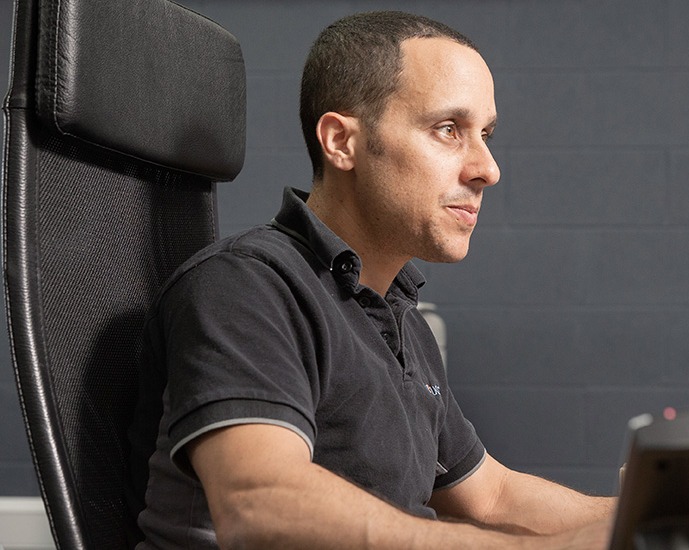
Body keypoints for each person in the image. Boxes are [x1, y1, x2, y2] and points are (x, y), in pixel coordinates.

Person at [127, 10, 616, 549]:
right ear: (341, 143)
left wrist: (647, 515)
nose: (487, 168)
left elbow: (492, 497)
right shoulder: (247, 287)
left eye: (486, 134)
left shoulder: (399, 320)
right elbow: (259, 503)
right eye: (448, 129)